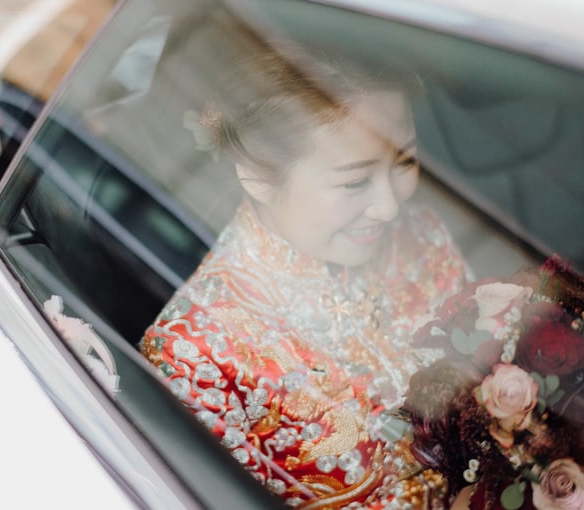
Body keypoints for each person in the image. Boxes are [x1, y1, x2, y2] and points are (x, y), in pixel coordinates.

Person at [140, 21, 468, 509]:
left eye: (404, 161)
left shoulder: (422, 234)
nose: (390, 207)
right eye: (354, 182)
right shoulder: (197, 356)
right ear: (257, 175)